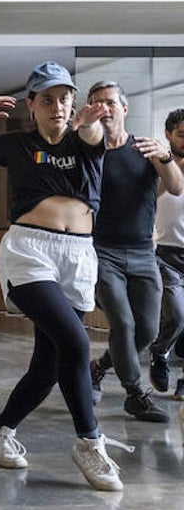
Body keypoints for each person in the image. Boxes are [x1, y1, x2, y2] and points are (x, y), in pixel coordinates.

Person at [0, 61, 131, 491]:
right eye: (47, 99)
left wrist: (84, 123)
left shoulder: (88, 137)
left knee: (48, 365)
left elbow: (92, 135)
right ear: (32, 105)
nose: (58, 106)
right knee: (77, 342)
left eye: (65, 97)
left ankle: (1, 433)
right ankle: (89, 442)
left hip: (79, 255)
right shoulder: (17, 144)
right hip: (30, 251)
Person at [84, 82, 183, 422]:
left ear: (124, 109)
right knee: (123, 323)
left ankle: (98, 368)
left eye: (110, 101)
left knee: (148, 331)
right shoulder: (89, 152)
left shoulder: (145, 149)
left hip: (143, 252)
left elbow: (175, 186)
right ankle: (135, 394)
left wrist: (165, 155)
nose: (104, 107)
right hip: (102, 251)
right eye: (96, 102)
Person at [146, 109, 184, 397]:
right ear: (168, 134)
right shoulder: (157, 162)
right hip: (165, 252)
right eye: (182, 134)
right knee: (176, 314)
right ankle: (159, 352)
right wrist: (172, 167)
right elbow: (150, 196)